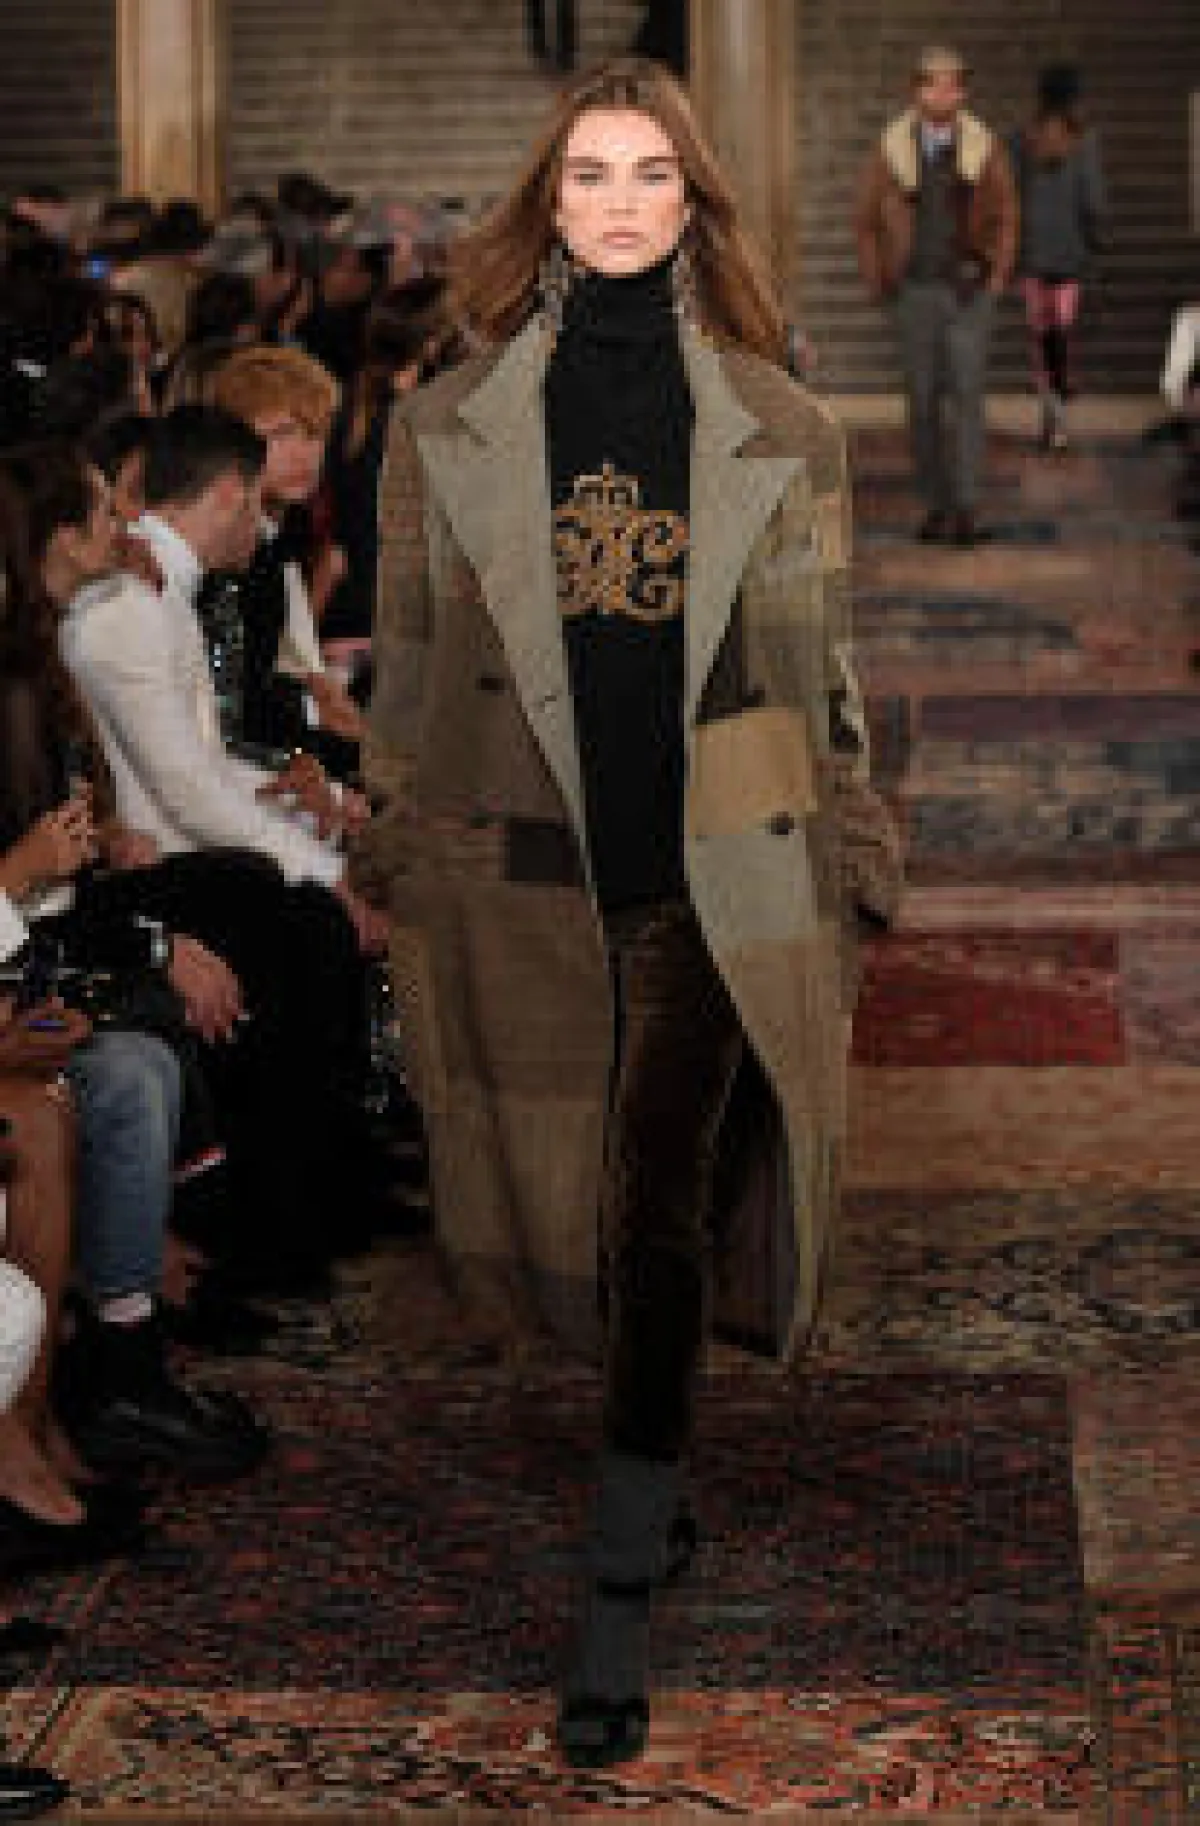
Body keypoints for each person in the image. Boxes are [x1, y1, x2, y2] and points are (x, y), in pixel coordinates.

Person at [351, 55, 902, 1767]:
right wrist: (392, 837)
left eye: (650, 173)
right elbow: (410, 666)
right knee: (558, 1212)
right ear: (547, 202)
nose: (617, 202)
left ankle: (613, 1571)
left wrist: (854, 844)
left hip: (715, 867)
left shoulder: (782, 426)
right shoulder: (442, 430)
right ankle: (644, 1474)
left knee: (651, 1198)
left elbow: (823, 670)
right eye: (588, 173)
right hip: (521, 866)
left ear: (692, 202)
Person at [854, 44, 1018, 546]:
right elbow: (865, 219)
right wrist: (878, 278)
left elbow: (1007, 213)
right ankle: (934, 505)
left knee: (968, 398)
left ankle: (966, 507)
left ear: (962, 92)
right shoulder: (891, 148)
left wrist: (997, 277)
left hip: (969, 292)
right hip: (914, 292)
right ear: (916, 90)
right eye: (932, 83)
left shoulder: (984, 146)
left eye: (952, 84)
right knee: (922, 402)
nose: (942, 93)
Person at [1010, 63, 1106, 451]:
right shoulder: (1084, 140)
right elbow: (1092, 199)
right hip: (1069, 254)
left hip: (1032, 254)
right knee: (1062, 336)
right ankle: (1060, 422)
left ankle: (1051, 420)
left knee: (1041, 338)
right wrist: (1095, 239)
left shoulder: (1021, 139)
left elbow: (1011, 195)